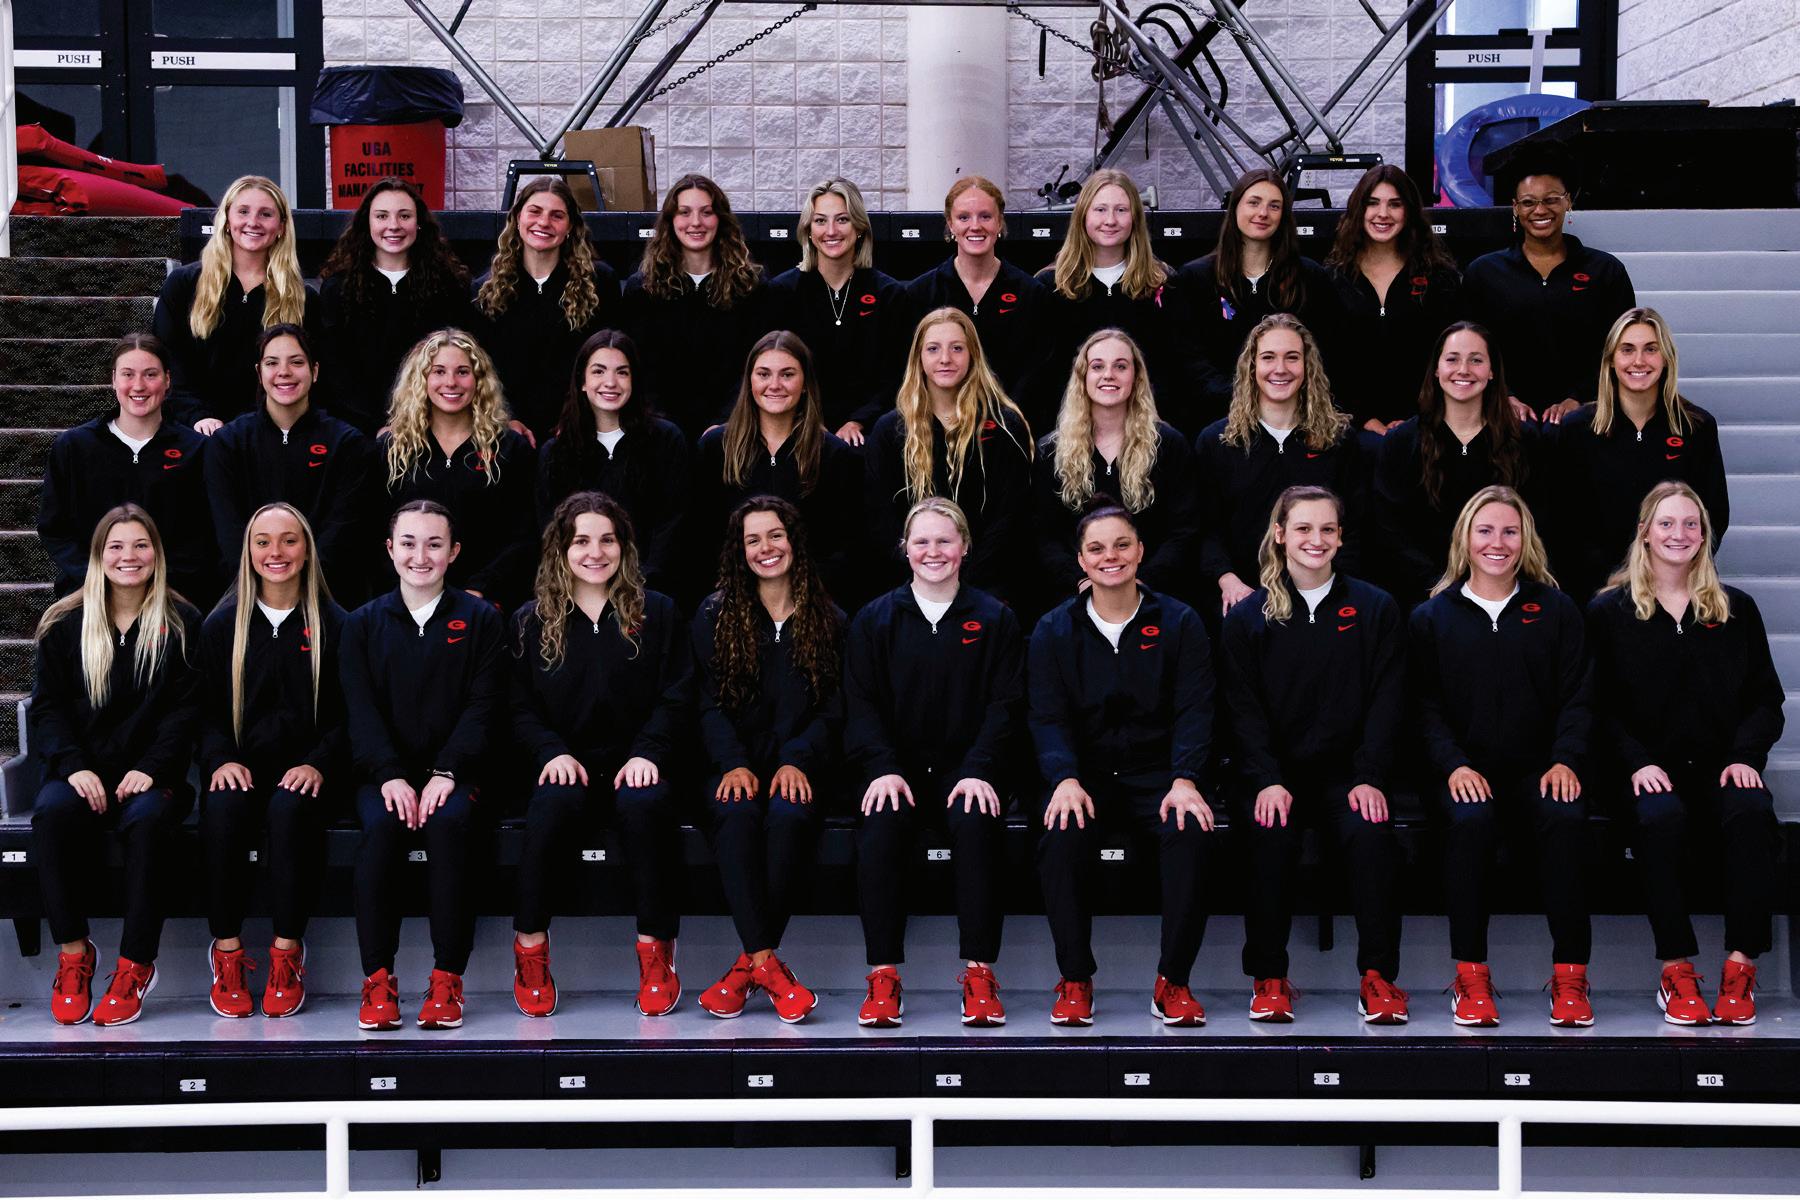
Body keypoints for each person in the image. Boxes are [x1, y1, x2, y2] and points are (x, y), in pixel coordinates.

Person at [1587, 482, 1783, 1026]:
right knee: (1660, 818)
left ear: (1704, 535)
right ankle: (1676, 971)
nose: (1680, 534)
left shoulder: (1736, 609)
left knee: (1751, 812)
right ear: (1645, 533)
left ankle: (1740, 967)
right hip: (1644, 771)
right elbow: (1596, 706)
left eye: (1691, 524)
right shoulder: (1608, 612)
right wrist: (1635, 761)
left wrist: (1745, 757)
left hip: (1720, 767)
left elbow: (1766, 699)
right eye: (1667, 523)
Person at [1218, 486, 1407, 1023]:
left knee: (1371, 833)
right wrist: (1265, 778)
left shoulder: (1375, 608)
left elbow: (1388, 700)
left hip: (1349, 776)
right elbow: (1240, 711)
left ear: (1341, 537)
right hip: (1273, 776)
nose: (1315, 540)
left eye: (1327, 529)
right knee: (1269, 833)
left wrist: (1369, 775)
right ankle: (1269, 977)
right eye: (1303, 528)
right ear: (1280, 535)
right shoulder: (1248, 617)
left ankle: (1378, 978)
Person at [1409, 486, 1594, 1027]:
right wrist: (1453, 764)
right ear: (1464, 539)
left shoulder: (1556, 610)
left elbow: (1579, 695)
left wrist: (1566, 759)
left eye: (1510, 531)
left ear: (1525, 539)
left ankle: (1571, 977)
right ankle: (1471, 977)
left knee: (1565, 818)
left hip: (1541, 769)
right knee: (1470, 823)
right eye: (1485, 531)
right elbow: (1421, 706)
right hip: (1462, 771)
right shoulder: (1431, 617)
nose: (1498, 542)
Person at [1030, 505, 1216, 1026]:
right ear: (1080, 561)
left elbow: (1195, 709)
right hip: (1083, 776)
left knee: (1191, 831)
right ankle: (1075, 980)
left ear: (1140, 552)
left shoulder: (1180, 621)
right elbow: (1046, 715)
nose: (1110, 556)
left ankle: (1173, 981)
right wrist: (1064, 777)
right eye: (1096, 548)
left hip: (1159, 776)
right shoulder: (1053, 629)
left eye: (1121, 545)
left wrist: (1185, 778)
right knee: (1060, 834)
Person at [509, 492, 692, 1018]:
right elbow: (517, 705)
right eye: (582, 541)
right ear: (561, 549)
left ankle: (656, 955)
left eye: (607, 540)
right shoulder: (530, 620)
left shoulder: (658, 612)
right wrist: (550, 752)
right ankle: (530, 951)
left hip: (637, 763)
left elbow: (678, 693)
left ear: (624, 547)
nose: (595, 552)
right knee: (549, 809)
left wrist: (649, 752)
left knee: (646, 807)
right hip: (565, 763)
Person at [845, 498, 1023, 1028]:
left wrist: (980, 768)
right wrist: (881, 766)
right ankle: (883, 977)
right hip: (896, 772)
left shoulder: (995, 618)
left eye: (945, 540)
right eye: (921, 541)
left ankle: (980, 975)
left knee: (977, 820)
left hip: (967, 771)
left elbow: (1006, 705)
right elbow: (860, 704)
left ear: (965, 547)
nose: (933, 551)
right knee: (879, 824)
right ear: (905, 549)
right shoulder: (875, 619)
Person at [340, 499, 506, 1031]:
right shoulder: (362, 623)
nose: (420, 556)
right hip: (382, 773)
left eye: (434, 544)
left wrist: (447, 771)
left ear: (453, 552)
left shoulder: (481, 620)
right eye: (409, 543)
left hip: (457, 773)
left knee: (450, 825)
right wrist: (389, 773)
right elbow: (359, 710)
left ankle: (446, 978)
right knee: (381, 828)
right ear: (390, 550)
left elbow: (483, 706)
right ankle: (378, 979)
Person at [32, 505, 201, 1027]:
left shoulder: (182, 622)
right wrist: (73, 766)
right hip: (81, 772)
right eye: (116, 547)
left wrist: (153, 766)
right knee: (51, 815)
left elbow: (187, 709)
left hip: (154, 776)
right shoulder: (64, 622)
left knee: (147, 823)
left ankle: (134, 966)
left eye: (141, 545)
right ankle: (74, 954)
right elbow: (47, 709)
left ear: (157, 553)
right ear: (98, 556)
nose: (129, 557)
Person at [692, 497, 844, 1022]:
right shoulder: (713, 615)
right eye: (752, 539)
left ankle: (748, 967)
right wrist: (732, 761)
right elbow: (705, 703)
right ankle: (767, 967)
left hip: (801, 768)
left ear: (793, 541)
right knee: (735, 816)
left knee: (789, 817)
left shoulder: (829, 619)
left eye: (775, 535)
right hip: (729, 766)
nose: (765, 548)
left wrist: (798, 758)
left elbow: (835, 708)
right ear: (739, 550)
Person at [197, 503, 346, 1019]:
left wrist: (319, 763)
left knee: (289, 809)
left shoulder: (336, 624)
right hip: (241, 768)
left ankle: (287, 953)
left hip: (310, 773)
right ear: (248, 551)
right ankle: (227, 953)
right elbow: (205, 713)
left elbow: (350, 715)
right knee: (222, 810)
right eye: (263, 541)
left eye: (288, 540)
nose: (275, 552)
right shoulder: (222, 626)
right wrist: (219, 759)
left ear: (306, 550)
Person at [1554, 308, 1730, 604]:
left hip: (1674, 586)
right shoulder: (1577, 429)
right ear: (1611, 360)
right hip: (1595, 592)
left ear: (1666, 358)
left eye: (1651, 349)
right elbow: (1562, 520)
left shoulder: (1696, 427)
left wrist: (1671, 572)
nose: (1639, 361)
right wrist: (1605, 580)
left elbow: (1713, 515)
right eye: (1627, 350)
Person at [1196, 313, 1359, 618]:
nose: (1280, 368)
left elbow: (1355, 527)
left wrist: (1327, 590)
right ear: (1252, 366)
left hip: (1322, 596)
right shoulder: (1217, 442)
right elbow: (1206, 528)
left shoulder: (1339, 440)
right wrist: (1227, 579)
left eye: (1292, 357)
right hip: (1243, 598)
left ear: (1308, 366)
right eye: (1268, 357)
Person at [864, 308, 1034, 601]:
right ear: (918, 358)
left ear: (973, 355)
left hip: (988, 587)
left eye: (957, 348)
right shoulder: (889, 430)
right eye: (933, 349)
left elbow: (1010, 516)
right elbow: (880, 520)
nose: (945, 358)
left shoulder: (1005, 427)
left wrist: (965, 582)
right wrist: (925, 575)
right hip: (911, 585)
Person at [1374, 322, 1544, 609]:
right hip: (1425, 598)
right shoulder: (1402, 442)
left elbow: (1538, 520)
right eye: (1452, 359)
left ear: (1492, 371)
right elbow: (1390, 529)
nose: (1463, 370)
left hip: (1506, 593)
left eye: (1476, 360)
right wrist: (1438, 586)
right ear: (1436, 369)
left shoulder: (1524, 442)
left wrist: (1497, 586)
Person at [1464, 142, 1636, 424]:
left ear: (1568, 201)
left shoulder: (1605, 271)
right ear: (1515, 208)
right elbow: (1470, 347)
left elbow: (1621, 348)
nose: (1540, 210)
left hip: (1587, 420)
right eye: (1528, 202)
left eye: (1551, 199)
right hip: (1504, 420)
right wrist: (1503, 397)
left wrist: (1580, 399)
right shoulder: (1483, 273)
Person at [37, 333, 213, 603]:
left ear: (168, 380)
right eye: (128, 374)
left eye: (150, 374)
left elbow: (205, 533)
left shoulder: (196, 450)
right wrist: (99, 577)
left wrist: (156, 581)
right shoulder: (74, 447)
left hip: (172, 595)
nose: (138, 385)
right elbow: (55, 528)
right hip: (91, 593)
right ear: (113, 380)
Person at [692, 331, 862, 604]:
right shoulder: (715, 448)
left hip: (811, 601)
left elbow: (845, 544)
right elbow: (699, 535)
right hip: (732, 601)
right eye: (763, 374)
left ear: (805, 383)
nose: (774, 385)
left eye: (787, 374)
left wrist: (805, 592)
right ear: (749, 381)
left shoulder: (833, 454)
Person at [204, 324, 373, 600]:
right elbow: (229, 533)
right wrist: (263, 589)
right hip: (248, 595)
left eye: (296, 362)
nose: (284, 372)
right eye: (272, 363)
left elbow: (341, 532)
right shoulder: (228, 443)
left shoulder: (346, 444)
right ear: (259, 373)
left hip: (325, 595)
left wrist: (303, 587)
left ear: (314, 371)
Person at [1034, 328, 1200, 607]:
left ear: (1136, 377)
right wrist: (1080, 581)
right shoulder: (1051, 450)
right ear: (1082, 377)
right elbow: (1043, 534)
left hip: (1154, 596)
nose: (1108, 375)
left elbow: (1184, 530)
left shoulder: (1169, 446)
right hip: (1074, 598)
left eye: (1120, 366)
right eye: (1098, 366)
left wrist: (1143, 583)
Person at [1174, 168, 1341, 430]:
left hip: (1293, 418)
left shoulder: (1310, 277)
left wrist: (1281, 398)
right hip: (1217, 418)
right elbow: (1189, 360)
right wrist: (1243, 397)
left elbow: (1326, 351)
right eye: (1254, 202)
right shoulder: (1196, 278)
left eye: (1274, 206)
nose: (1263, 213)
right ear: (1235, 207)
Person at [381, 329, 536, 609]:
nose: (451, 382)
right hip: (408, 600)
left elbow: (524, 534)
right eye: (439, 371)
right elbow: (375, 529)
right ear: (421, 379)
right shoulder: (393, 449)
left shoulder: (510, 448)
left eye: (462, 372)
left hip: (486, 603)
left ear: (479, 380)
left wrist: (481, 589)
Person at [1027, 170, 1192, 432]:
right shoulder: (1052, 286)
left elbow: (1177, 367)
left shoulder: (1161, 283)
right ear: (1083, 215)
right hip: (1071, 432)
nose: (1111, 220)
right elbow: (1041, 375)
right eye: (1100, 209)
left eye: (1121, 210)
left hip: (1145, 429)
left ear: (1135, 217)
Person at [153, 174, 315, 433]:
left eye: (266, 214)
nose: (253, 222)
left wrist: (255, 426)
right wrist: (198, 417)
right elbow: (168, 362)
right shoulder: (183, 285)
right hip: (194, 430)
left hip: (269, 431)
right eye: (243, 211)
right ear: (227, 220)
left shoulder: (303, 298)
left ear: (282, 227)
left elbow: (309, 376)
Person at [535, 329, 691, 594]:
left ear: (634, 380)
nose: (610, 382)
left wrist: (643, 583)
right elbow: (551, 529)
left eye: (622, 372)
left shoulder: (666, 440)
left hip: (649, 590)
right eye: (598, 371)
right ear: (582, 381)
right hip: (579, 590)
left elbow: (673, 519)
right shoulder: (556, 452)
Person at [318, 178, 476, 435]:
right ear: (367, 223)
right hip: (355, 431)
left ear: (419, 223)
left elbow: (456, 363)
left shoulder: (449, 287)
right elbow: (335, 371)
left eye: (404, 216)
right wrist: (373, 427)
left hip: (430, 428)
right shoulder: (338, 288)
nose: (393, 225)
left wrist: (416, 422)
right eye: (382, 216)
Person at [1323, 165, 1462, 447]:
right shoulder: (1333, 278)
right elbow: (1325, 359)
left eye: (1395, 204)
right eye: (1372, 203)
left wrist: (1419, 417)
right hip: (1351, 428)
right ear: (1358, 210)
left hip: (1425, 425)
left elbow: (1451, 355)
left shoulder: (1439, 277)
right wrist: (1361, 417)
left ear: (1409, 211)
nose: (1383, 213)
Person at [622, 174, 770, 439]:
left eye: (706, 212)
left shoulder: (751, 287)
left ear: (720, 219)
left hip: (733, 429)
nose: (696, 222)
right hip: (660, 430)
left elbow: (756, 363)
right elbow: (638, 367)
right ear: (671, 220)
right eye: (684, 212)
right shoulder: (643, 289)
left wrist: (726, 421)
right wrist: (661, 424)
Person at [473, 176, 620, 444]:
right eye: (535, 211)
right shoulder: (485, 291)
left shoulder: (600, 283)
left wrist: (580, 418)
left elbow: (610, 361)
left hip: (581, 427)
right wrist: (505, 418)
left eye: (557, 216)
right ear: (517, 218)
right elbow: (478, 368)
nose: (544, 222)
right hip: (506, 431)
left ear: (570, 226)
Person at [766, 177, 909, 446]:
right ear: (809, 231)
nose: (831, 231)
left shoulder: (889, 295)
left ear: (859, 227)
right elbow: (774, 370)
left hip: (870, 431)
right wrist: (809, 422)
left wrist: (859, 421)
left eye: (842, 219)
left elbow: (898, 375)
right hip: (798, 427)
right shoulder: (782, 292)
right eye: (820, 221)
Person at [903, 176, 1046, 403]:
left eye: (985, 216)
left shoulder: (1031, 294)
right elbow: (909, 371)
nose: (975, 225)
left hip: (1008, 419)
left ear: (999, 222)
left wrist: (1004, 417)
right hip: (939, 419)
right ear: (950, 224)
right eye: (964, 217)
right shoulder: (920, 294)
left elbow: (1035, 375)